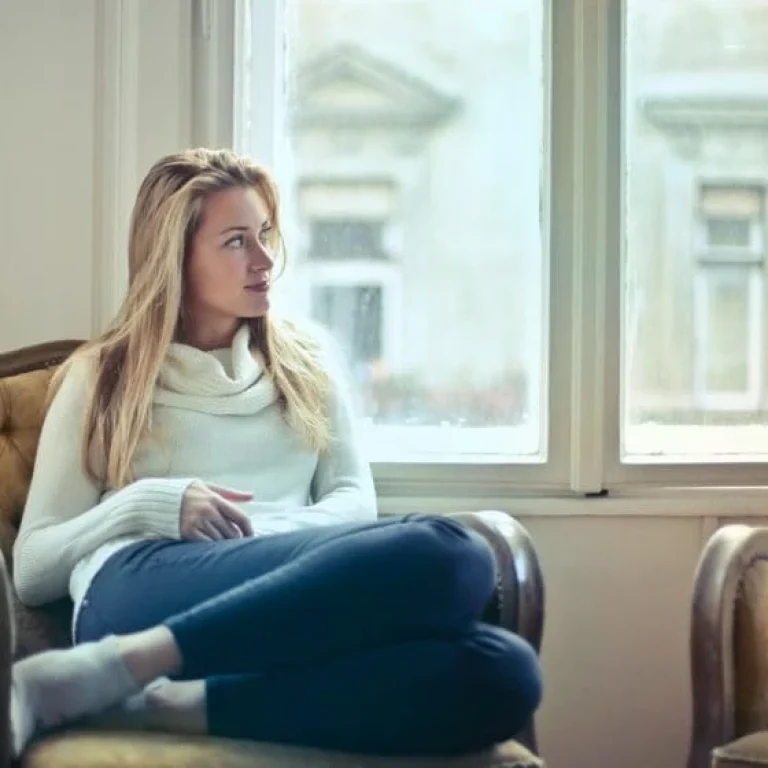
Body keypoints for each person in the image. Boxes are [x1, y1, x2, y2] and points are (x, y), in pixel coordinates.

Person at [10, 148, 542, 758]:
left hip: (283, 590)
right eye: (236, 241)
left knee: (503, 670)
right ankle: (122, 660)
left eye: (264, 234)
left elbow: (353, 501)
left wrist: (262, 535)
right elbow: (33, 566)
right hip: (141, 586)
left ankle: (148, 698)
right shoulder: (102, 377)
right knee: (450, 551)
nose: (264, 260)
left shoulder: (306, 362)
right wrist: (148, 504)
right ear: (174, 260)